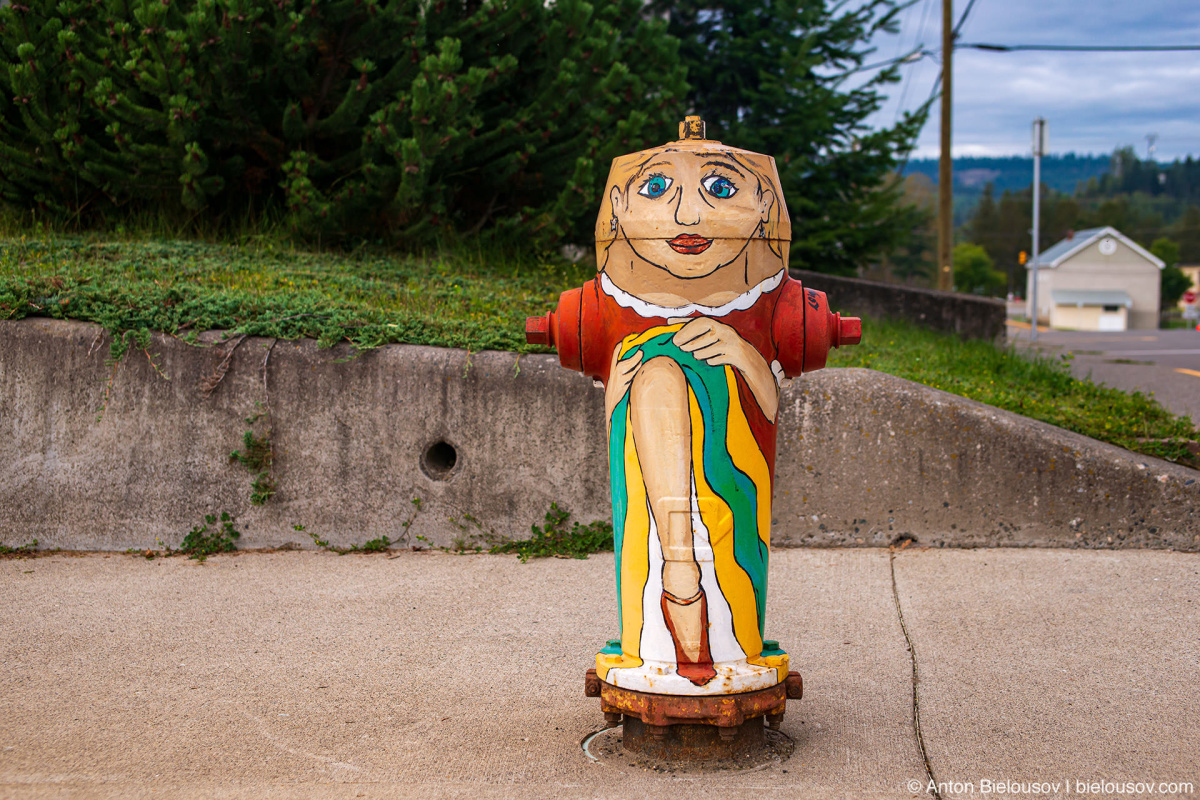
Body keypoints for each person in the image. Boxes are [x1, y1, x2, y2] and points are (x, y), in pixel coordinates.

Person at [586, 125, 794, 694]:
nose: (687, 217)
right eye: (656, 188)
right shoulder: (622, 312)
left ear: (765, 207)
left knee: (656, 373)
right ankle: (679, 577)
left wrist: (743, 355)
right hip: (651, 479)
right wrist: (619, 388)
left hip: (733, 466)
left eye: (721, 190)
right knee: (652, 370)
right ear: (620, 205)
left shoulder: (759, 306)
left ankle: (688, 587)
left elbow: (770, 407)